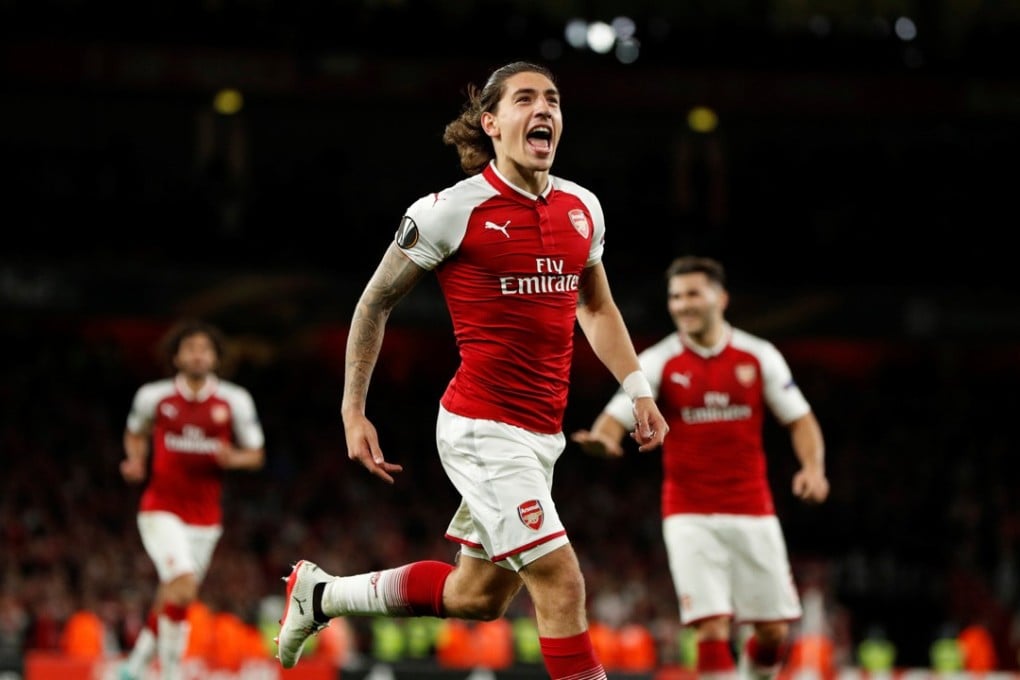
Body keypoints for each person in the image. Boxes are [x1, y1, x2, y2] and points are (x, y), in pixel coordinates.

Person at [274, 60, 668, 679]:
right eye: (526, 100)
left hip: (542, 435)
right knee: (561, 579)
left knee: (477, 597)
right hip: (482, 426)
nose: (544, 110)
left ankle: (320, 595)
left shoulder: (582, 208)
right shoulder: (448, 211)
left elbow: (595, 305)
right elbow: (374, 302)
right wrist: (353, 410)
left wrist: (637, 389)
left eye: (554, 101)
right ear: (490, 122)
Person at [571, 255, 829, 680]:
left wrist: (813, 469)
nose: (682, 305)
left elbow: (800, 419)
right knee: (710, 626)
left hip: (753, 510)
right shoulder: (659, 360)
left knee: (772, 633)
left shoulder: (758, 355)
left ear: (721, 298)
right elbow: (617, 413)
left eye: (693, 294)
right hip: (688, 513)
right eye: (675, 297)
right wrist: (605, 438)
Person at [119, 319, 266, 680]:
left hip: (205, 519)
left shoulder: (234, 400)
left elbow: (256, 453)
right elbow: (134, 433)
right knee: (182, 588)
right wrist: (136, 458)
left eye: (205, 349)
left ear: (216, 357)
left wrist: (235, 458)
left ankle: (134, 668)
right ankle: (170, 673)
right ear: (177, 356)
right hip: (160, 509)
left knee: (172, 594)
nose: (198, 355)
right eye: (191, 348)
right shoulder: (154, 396)